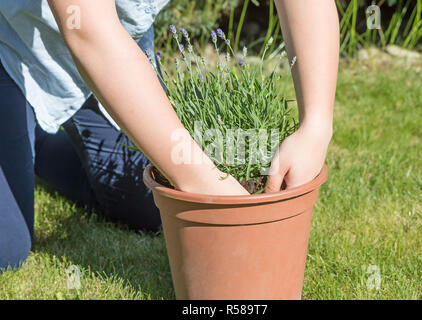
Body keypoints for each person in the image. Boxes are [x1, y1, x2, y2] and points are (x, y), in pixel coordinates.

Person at [0, 0, 339, 272]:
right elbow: (86, 29)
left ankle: (35, 147)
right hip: (14, 41)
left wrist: (316, 124)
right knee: (7, 249)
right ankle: (23, 133)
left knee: (155, 203)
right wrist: (205, 183)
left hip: (118, 35)